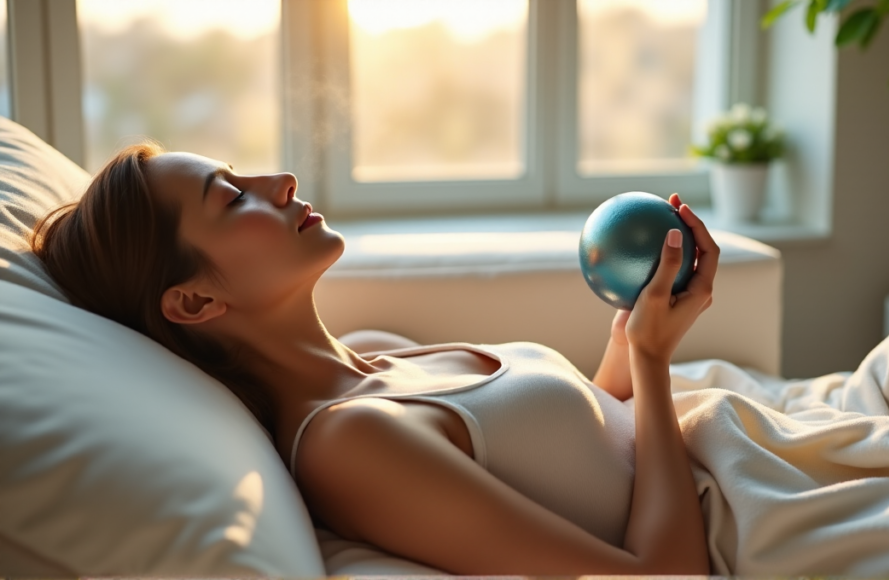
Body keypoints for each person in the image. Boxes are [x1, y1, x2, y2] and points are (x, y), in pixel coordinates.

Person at [31, 143, 719, 574]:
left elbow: (585, 459)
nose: (279, 179)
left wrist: (633, 339)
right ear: (193, 302)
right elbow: (659, 574)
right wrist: (653, 365)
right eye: (234, 196)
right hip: (748, 525)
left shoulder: (373, 355)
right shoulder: (347, 442)